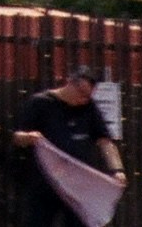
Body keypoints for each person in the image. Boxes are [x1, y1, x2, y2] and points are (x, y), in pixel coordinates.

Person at [11, 65, 125, 227]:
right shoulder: (41, 103)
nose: (83, 99)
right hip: (46, 182)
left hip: (77, 184)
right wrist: (28, 137)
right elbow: (16, 137)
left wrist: (117, 169)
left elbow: (105, 141)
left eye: (88, 96)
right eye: (82, 93)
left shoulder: (89, 107)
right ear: (70, 83)